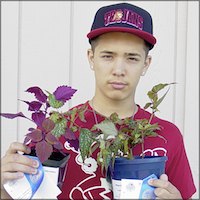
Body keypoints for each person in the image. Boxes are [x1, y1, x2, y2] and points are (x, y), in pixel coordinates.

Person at [1, 2, 196, 199]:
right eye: (108, 56)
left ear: (146, 64)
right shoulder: (54, 132)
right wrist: (4, 188)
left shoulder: (168, 136)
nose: (119, 70)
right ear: (91, 58)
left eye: (132, 58)